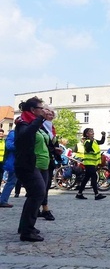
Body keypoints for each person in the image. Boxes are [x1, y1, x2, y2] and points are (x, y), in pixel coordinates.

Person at [14, 97, 48, 241]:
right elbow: (26, 135)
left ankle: (25, 227)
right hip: (25, 164)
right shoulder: (23, 123)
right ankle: (27, 232)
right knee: (38, 193)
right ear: (34, 110)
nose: (44, 110)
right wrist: (39, 119)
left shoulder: (28, 122)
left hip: (29, 163)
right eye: (41, 108)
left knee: (34, 194)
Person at [75, 128, 107, 201]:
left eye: (93, 131)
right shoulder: (87, 141)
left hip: (92, 163)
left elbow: (101, 142)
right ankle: (96, 194)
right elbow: (88, 148)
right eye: (91, 132)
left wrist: (103, 136)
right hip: (89, 163)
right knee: (94, 176)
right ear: (87, 134)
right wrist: (91, 141)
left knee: (86, 178)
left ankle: (79, 194)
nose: (93, 133)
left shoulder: (94, 140)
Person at [0, 130, 16, 208]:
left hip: (17, 162)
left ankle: (3, 200)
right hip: (13, 162)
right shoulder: (13, 133)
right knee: (11, 182)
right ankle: (3, 200)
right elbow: (9, 146)